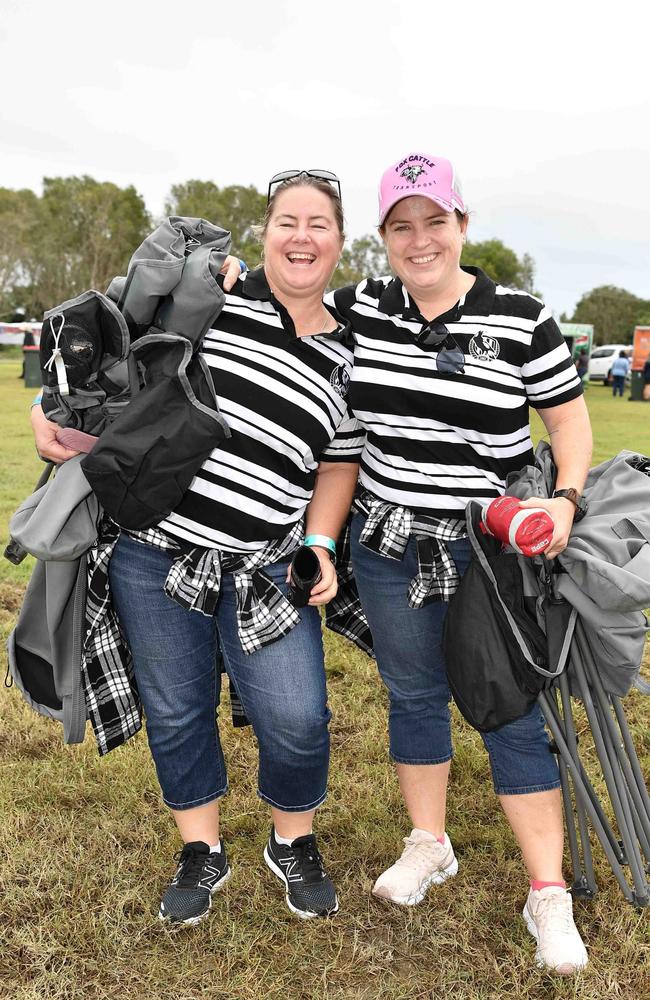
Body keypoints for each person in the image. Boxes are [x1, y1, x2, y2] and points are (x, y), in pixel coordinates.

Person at [30, 170, 363, 925]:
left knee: (298, 717)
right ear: (268, 232)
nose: (302, 236)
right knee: (178, 711)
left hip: (267, 568)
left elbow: (339, 463)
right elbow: (96, 353)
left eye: (318, 223)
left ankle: (291, 839)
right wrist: (35, 409)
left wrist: (321, 540)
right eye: (287, 221)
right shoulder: (214, 304)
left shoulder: (350, 354)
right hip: (156, 554)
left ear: (339, 241)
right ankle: (201, 849)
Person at [327, 153, 593, 975]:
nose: (420, 239)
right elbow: (274, 303)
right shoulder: (361, 306)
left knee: (507, 706)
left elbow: (567, 423)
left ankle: (547, 892)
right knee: (413, 694)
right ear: (383, 238)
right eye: (401, 226)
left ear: (462, 225)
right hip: (386, 542)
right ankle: (429, 843)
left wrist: (567, 498)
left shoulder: (521, 316)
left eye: (434, 221)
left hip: (487, 549)